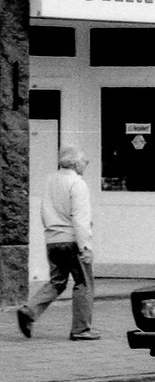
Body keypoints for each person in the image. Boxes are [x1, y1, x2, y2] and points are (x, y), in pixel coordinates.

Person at [16, 146, 97, 341]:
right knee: (84, 284)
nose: (86, 164)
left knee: (57, 281)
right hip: (71, 239)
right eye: (84, 160)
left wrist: (51, 232)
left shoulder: (50, 180)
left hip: (53, 239)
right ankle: (81, 329)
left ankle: (30, 310)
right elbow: (80, 217)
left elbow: (44, 210)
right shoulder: (78, 184)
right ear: (75, 163)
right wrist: (85, 246)